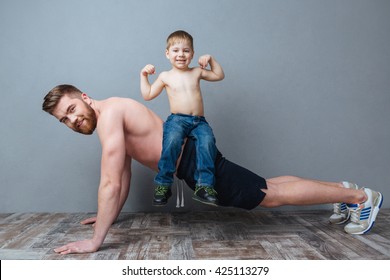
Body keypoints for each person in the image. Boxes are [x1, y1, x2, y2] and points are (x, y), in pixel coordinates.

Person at [42, 84, 383, 255]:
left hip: (195, 162)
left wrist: (95, 240)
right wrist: (109, 217)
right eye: (64, 120)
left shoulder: (110, 116)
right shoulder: (112, 114)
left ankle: (360, 196)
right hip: (194, 156)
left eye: (72, 109)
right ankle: (345, 190)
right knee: (267, 186)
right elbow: (124, 175)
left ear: (85, 96)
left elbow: (110, 182)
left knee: (270, 196)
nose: (72, 120)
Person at [140, 30, 224, 206]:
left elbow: (218, 75)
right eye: (176, 50)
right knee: (171, 142)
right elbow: (147, 94)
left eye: (186, 50)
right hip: (177, 120)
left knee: (208, 142)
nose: (181, 54)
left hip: (199, 122)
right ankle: (163, 184)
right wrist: (144, 76)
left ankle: (204, 186)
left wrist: (211, 59)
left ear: (192, 54)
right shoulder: (165, 76)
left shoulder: (196, 72)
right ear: (167, 53)